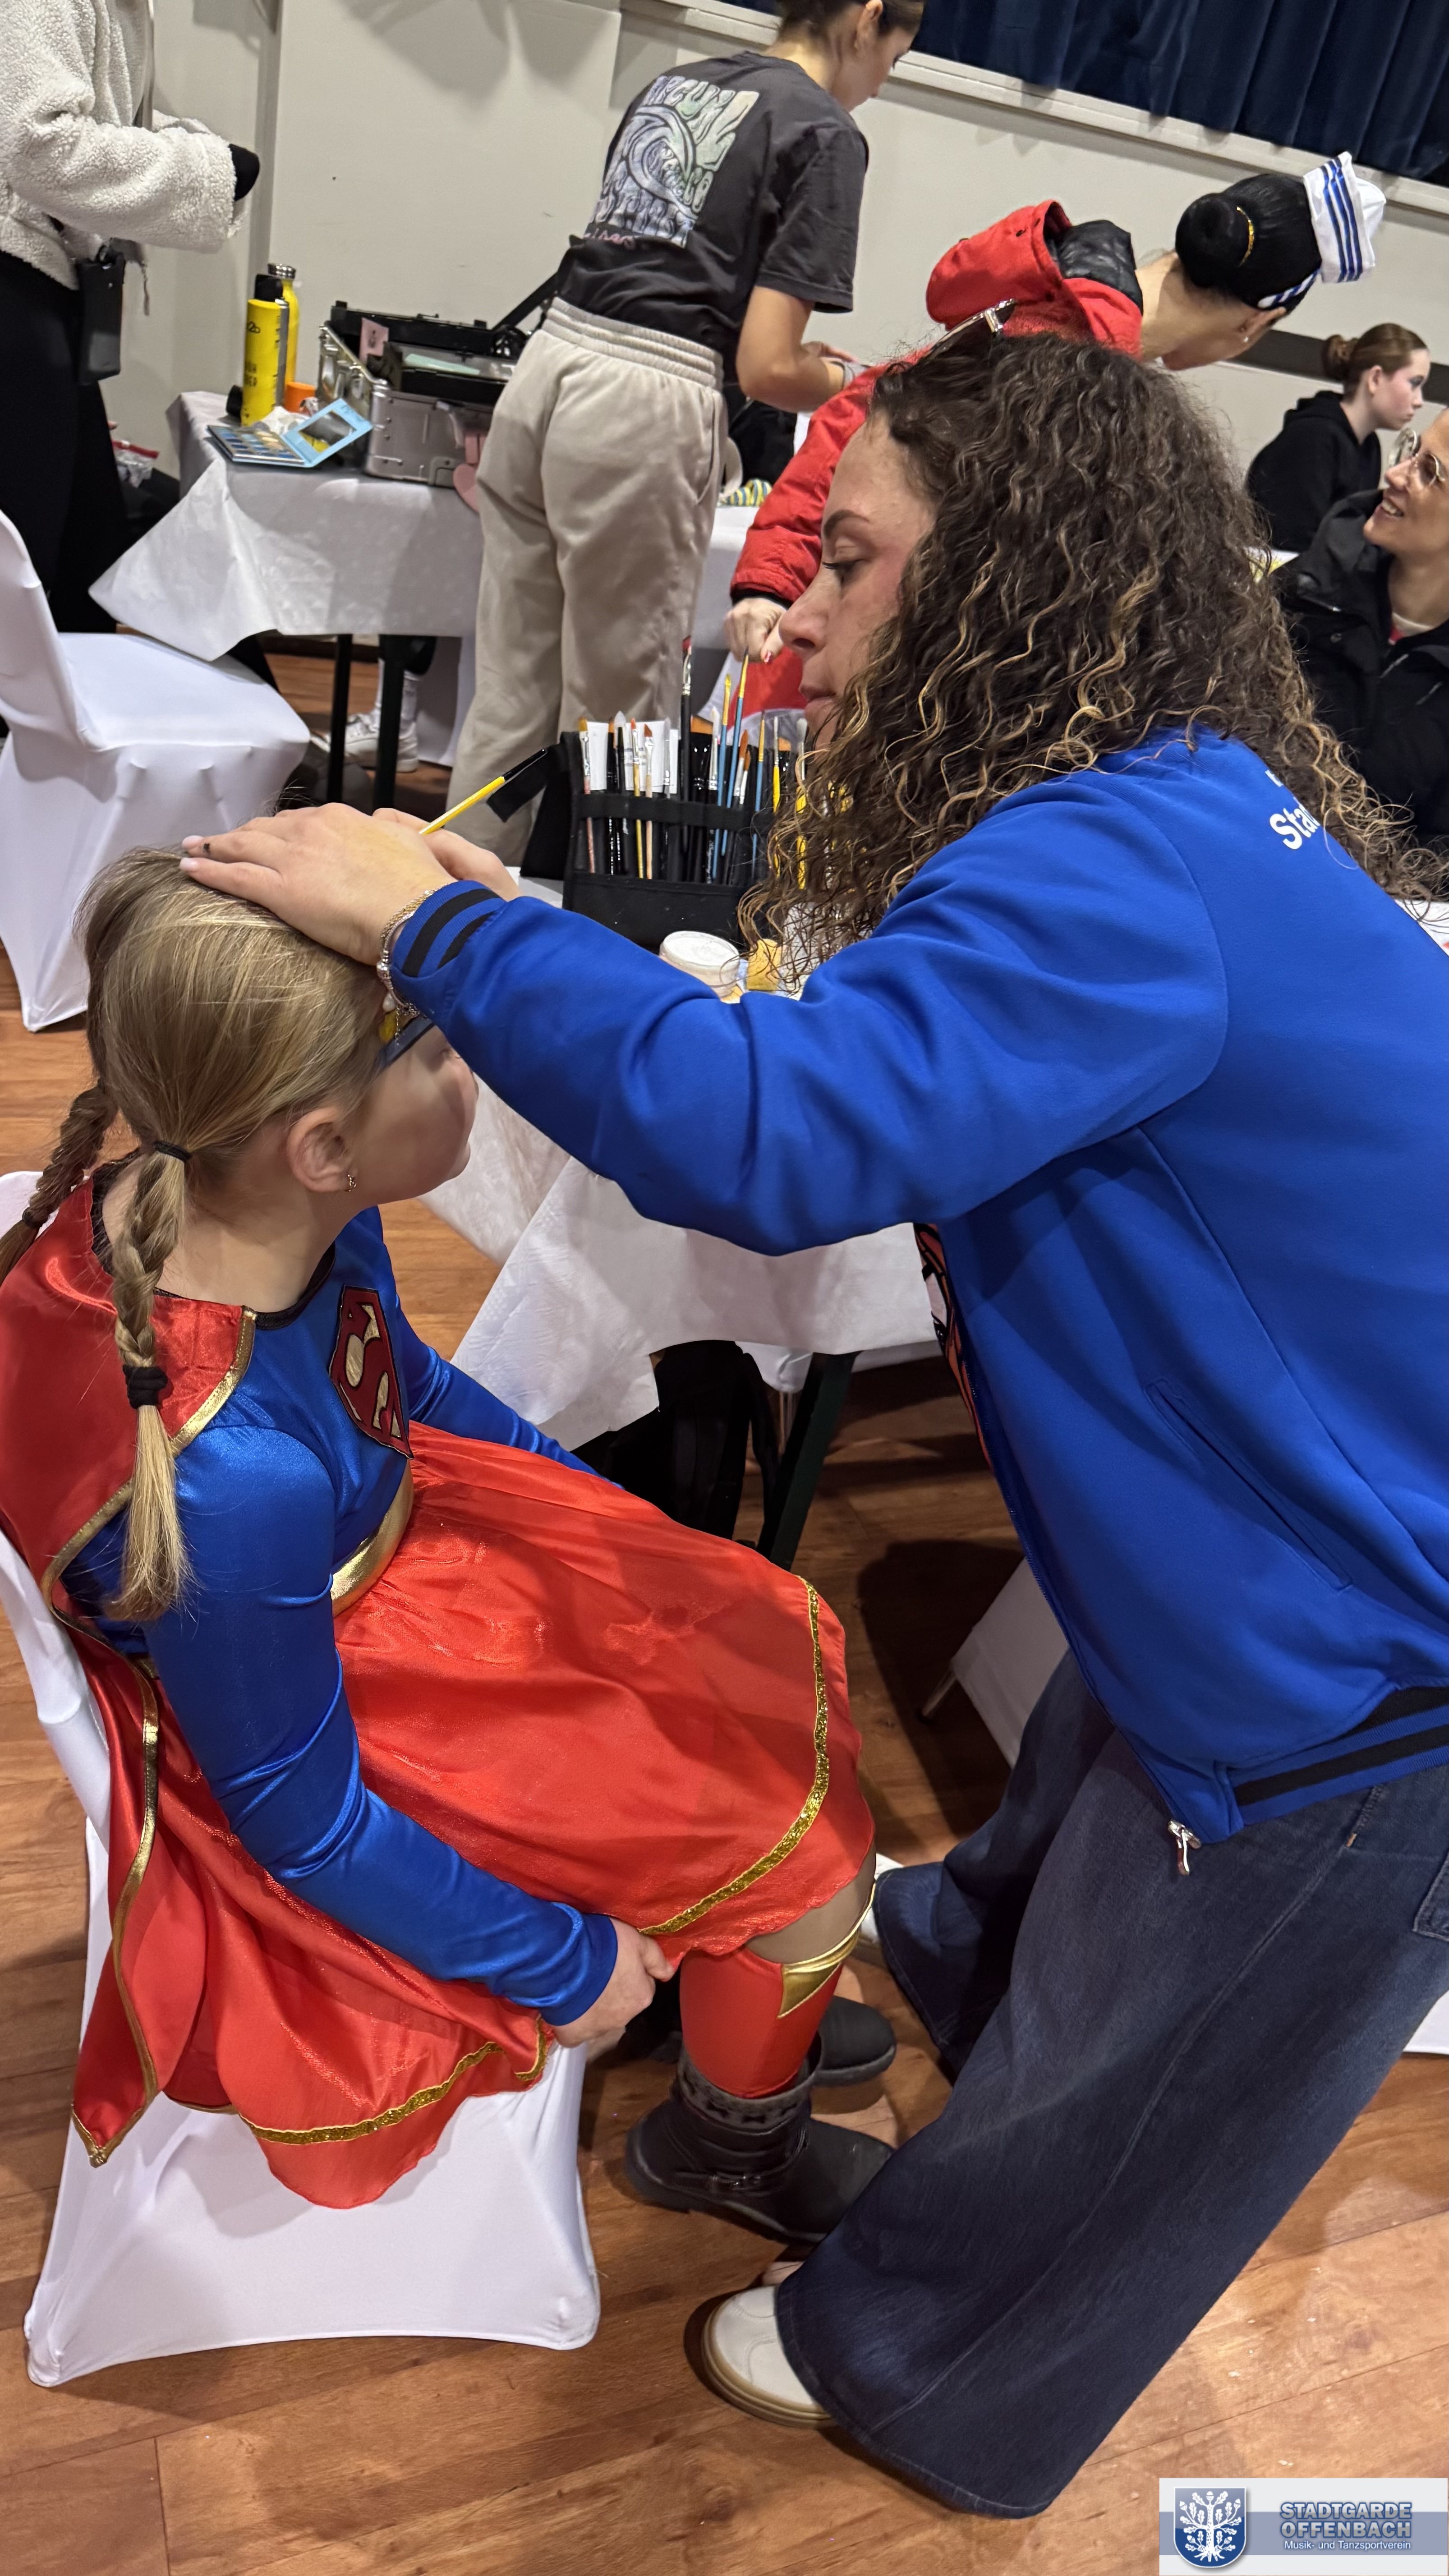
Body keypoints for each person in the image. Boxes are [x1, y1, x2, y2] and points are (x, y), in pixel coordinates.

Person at [187, 322, 1446, 2512]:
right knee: (1086, 1837)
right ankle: (947, 1985)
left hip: (1364, 1652)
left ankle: (923, 2356)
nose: (794, 618)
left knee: (1149, 2098)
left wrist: (444, 935)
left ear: (1004, 572)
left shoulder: (1112, 864)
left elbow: (773, 1130)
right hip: (1267, 1553)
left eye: (849, 563)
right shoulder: (1143, 807)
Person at [0, 847, 900, 2232]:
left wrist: (588, 1510)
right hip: (348, 1692)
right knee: (810, 1850)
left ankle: (735, 1985)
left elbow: (396, 1378)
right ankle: (732, 2137)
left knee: (725, 1652)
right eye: (433, 1047)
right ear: (321, 1146)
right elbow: (305, 1820)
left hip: (363, 1578)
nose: (470, 1060)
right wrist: (563, 1959)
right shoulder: (231, 1478)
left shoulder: (232, 1218)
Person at [445, 0, 921, 858]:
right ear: (868, 19)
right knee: (622, 711)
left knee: (512, 687)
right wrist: (843, 380)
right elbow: (766, 368)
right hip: (642, 396)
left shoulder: (679, 84)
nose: (880, 85)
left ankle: (441, 896)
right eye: (893, 60)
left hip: (550, 364)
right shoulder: (823, 132)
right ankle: (606, 927)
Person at [725, 152, 1387, 691]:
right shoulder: (1081, 377)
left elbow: (857, 416)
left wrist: (771, 579)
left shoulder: (1039, 306)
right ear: (1256, 324)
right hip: (891, 669)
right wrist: (776, 581)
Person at [0, 0, 258, 631]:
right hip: (14, 285)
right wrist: (208, 169)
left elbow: (97, 118)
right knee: (30, 565)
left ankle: (54, 694)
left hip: (40, 285)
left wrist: (204, 157)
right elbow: (38, 146)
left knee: (78, 557)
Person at [1275, 411, 1449, 856]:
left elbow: (1439, 855)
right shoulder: (1308, 589)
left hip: (1373, 890)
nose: (1395, 474)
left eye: (1430, 471)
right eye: (1411, 451)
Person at [1248, 322, 1432, 555]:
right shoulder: (1313, 438)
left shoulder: (1369, 446)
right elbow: (1292, 546)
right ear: (1375, 379)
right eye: (1415, 384)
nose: (1419, 401)